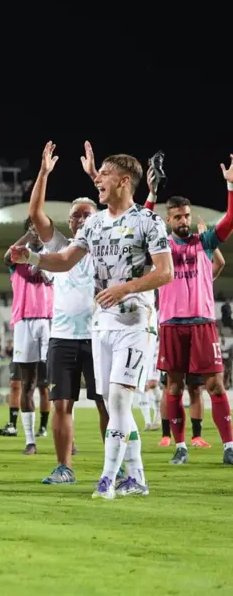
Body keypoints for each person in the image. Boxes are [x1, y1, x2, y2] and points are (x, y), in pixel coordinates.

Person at [12, 149, 173, 498]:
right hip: (100, 326)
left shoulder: (149, 222)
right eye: (96, 174)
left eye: (103, 174)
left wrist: (125, 288)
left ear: (124, 181)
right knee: (117, 405)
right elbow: (66, 260)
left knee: (115, 401)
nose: (96, 178)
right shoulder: (95, 224)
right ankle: (137, 478)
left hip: (135, 321)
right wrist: (34, 257)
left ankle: (106, 480)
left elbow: (165, 272)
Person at [23, 142, 103, 485]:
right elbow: (36, 213)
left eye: (87, 213)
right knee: (61, 404)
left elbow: (123, 210)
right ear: (69, 222)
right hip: (63, 337)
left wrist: (97, 177)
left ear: (97, 217)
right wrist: (43, 173)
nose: (81, 218)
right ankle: (63, 467)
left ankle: (117, 466)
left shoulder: (107, 243)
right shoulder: (57, 245)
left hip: (101, 334)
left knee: (107, 404)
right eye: (76, 215)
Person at [151, 161, 233, 466]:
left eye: (186, 215)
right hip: (171, 324)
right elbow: (142, 222)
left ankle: (229, 446)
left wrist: (230, 186)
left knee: (215, 385)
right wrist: (151, 191)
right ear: (168, 219)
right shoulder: (161, 246)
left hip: (202, 323)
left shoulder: (205, 242)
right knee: (174, 387)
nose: (183, 221)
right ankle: (181, 446)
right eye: (177, 217)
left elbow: (230, 219)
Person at [3, 222, 54, 455]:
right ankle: (30, 441)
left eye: (39, 230)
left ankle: (66, 438)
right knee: (28, 384)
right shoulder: (17, 259)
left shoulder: (53, 257)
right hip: (23, 322)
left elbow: (53, 279)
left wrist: (39, 261)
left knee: (55, 383)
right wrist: (27, 235)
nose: (36, 234)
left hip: (50, 321)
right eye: (32, 230)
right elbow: (6, 257)